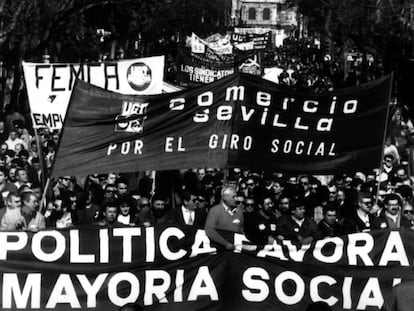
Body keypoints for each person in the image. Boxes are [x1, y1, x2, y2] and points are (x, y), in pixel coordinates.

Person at [204, 186, 244, 250]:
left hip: (236, 249)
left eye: (236, 196)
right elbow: (209, 230)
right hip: (219, 248)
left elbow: (241, 230)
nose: (236, 199)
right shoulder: (215, 211)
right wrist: (225, 243)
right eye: (233, 197)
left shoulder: (239, 211)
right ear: (225, 197)